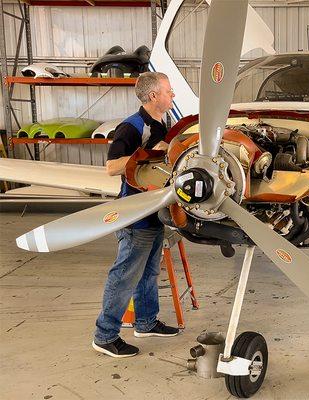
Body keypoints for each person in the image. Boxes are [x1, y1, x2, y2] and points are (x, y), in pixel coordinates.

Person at [92, 72, 180, 358]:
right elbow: (111, 167)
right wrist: (147, 153)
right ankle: (105, 336)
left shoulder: (160, 122)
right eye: (169, 91)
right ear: (154, 96)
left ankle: (146, 322)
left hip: (154, 211)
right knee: (125, 275)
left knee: (149, 272)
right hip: (135, 216)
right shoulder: (132, 127)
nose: (173, 95)